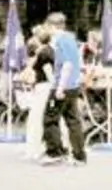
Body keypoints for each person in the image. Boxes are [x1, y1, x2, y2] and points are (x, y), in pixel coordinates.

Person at [40, 12, 86, 166]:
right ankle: (79, 155)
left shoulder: (61, 41)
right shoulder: (72, 40)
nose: (46, 29)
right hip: (73, 85)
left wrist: (60, 88)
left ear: (52, 26)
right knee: (73, 120)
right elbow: (77, 62)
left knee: (50, 119)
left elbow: (67, 64)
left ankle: (55, 152)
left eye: (47, 26)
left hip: (62, 86)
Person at [22, 29, 55, 161]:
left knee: (35, 119)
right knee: (40, 119)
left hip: (43, 88)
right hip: (44, 87)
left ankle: (33, 150)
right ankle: (37, 148)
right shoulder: (49, 51)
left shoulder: (44, 54)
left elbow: (48, 72)